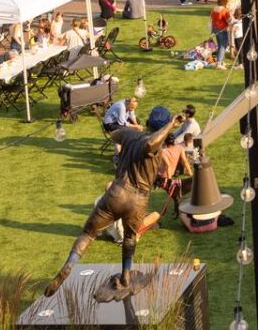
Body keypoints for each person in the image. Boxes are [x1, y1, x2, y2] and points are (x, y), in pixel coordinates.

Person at [44, 105, 195, 297]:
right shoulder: (153, 145)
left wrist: (128, 129)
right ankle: (125, 277)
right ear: (164, 129)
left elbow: (114, 134)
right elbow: (150, 143)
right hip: (137, 200)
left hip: (115, 194)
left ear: (148, 122)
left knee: (88, 233)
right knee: (130, 239)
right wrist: (172, 124)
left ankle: (69, 265)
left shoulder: (131, 136)